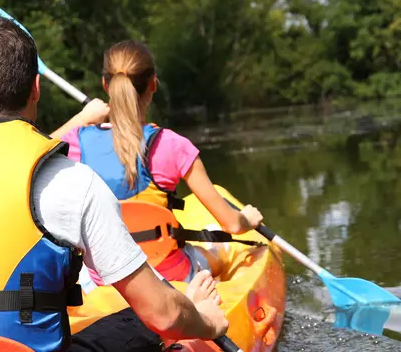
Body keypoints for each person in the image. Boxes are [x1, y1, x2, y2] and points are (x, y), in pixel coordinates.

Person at [0, 14, 227, 352]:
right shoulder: (73, 181)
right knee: (143, 319)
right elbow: (161, 314)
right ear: (36, 88)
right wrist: (208, 322)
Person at [57, 40, 264, 285]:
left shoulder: (77, 142)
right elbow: (231, 224)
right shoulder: (173, 145)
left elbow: (33, 156)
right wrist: (247, 219)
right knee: (220, 250)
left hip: (105, 280)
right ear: (153, 84)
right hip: (169, 277)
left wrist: (81, 118)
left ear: (105, 85)